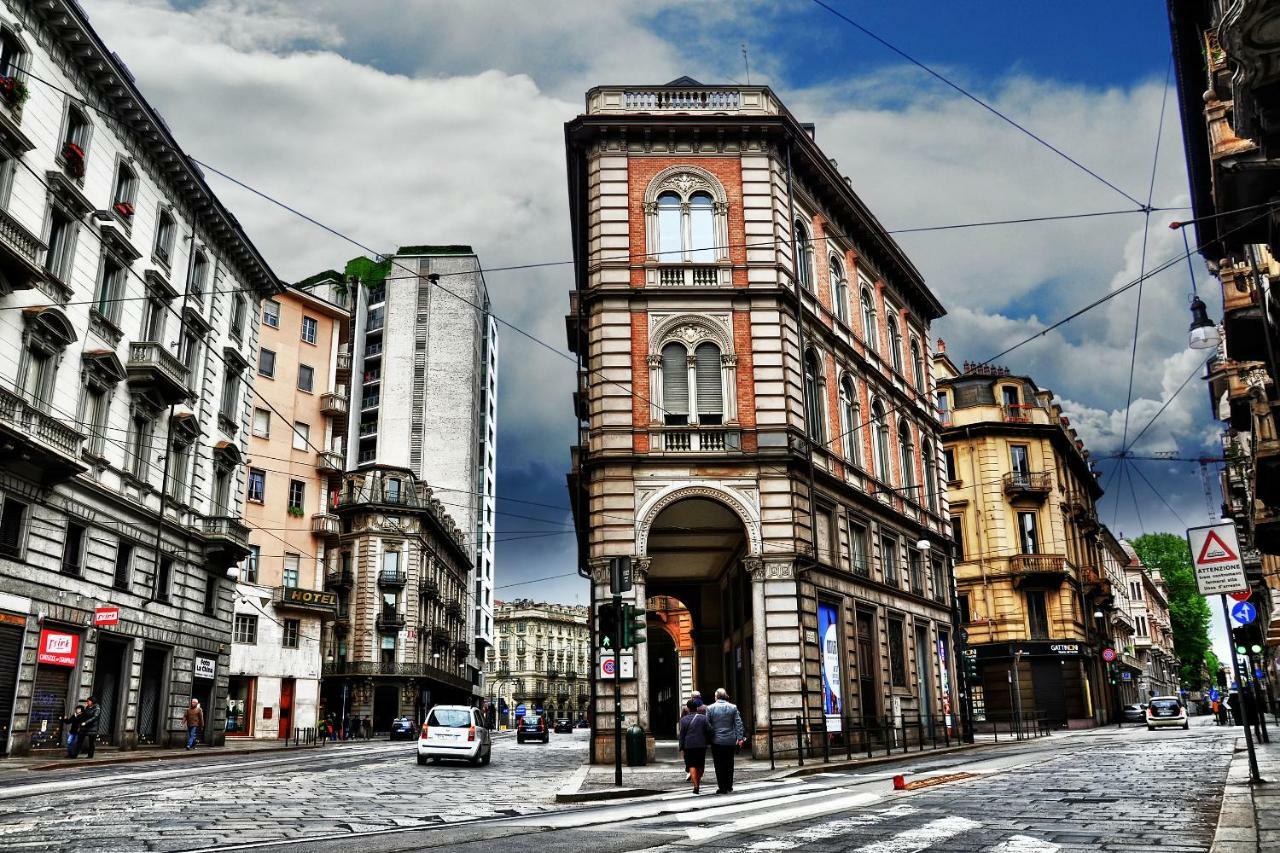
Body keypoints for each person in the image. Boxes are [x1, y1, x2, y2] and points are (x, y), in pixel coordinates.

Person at [703, 688, 746, 795]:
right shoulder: (733, 707)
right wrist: (740, 738)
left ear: (716, 697)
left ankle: (722, 787)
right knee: (729, 763)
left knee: (719, 764)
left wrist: (709, 736)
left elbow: (707, 724)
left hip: (716, 741)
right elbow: (738, 724)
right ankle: (729, 785)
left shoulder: (710, 708)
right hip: (730, 740)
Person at [678, 699, 712, 794]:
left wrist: (681, 747)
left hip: (689, 746)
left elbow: (682, 735)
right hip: (701, 744)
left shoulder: (683, 720)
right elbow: (709, 730)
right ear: (696, 708)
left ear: (688, 709)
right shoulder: (703, 718)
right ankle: (698, 781)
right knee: (701, 765)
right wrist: (708, 740)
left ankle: (696, 785)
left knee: (692, 765)